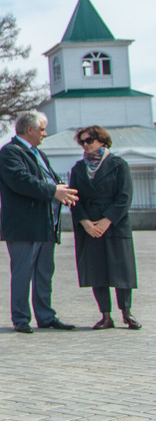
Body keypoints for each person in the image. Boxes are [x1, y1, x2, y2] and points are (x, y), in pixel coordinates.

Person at [0, 112, 78, 333]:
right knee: (23, 273)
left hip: (45, 224)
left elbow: (48, 179)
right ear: (29, 130)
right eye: (42, 129)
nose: (45, 133)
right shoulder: (11, 153)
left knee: (44, 273)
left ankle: (46, 316)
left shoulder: (38, 153)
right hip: (24, 227)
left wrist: (62, 190)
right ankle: (21, 318)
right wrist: (54, 191)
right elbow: (22, 181)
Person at [68, 126, 141, 330]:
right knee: (96, 271)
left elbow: (124, 197)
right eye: (82, 142)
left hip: (115, 225)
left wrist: (107, 220)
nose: (86, 145)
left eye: (89, 140)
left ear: (102, 140)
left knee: (122, 271)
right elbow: (74, 198)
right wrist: (85, 223)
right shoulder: (78, 168)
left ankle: (127, 313)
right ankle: (105, 316)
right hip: (90, 226)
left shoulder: (119, 165)